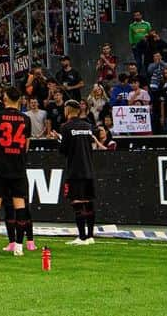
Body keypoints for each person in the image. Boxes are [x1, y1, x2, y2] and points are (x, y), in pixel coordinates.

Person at [0, 86, 34, 257]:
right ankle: (19, 246)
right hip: (19, 167)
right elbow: (26, 145)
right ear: (20, 100)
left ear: (5, 99)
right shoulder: (26, 119)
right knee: (20, 206)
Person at [58, 100, 97, 245]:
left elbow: (64, 150)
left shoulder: (66, 127)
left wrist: (59, 140)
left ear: (68, 110)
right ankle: (90, 236)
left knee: (77, 202)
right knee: (89, 202)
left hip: (75, 169)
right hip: (89, 168)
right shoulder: (88, 126)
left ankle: (81, 237)